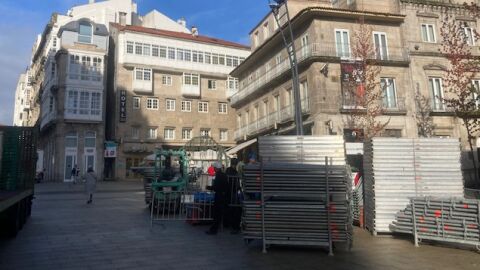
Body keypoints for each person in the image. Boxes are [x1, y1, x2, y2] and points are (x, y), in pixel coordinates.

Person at [206, 162, 229, 235]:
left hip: (219, 196)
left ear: (216, 168)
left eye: (214, 168)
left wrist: (209, 187)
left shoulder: (218, 176)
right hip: (223, 196)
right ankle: (214, 229)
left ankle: (213, 230)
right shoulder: (224, 175)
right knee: (219, 214)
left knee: (216, 214)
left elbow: (216, 187)